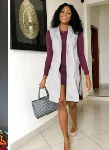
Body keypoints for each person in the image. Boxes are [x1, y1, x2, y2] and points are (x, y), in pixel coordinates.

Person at [39, 3, 91, 150]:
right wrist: (44, 77)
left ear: (72, 16)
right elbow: (49, 56)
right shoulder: (51, 33)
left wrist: (87, 76)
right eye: (63, 11)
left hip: (72, 72)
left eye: (68, 12)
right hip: (57, 73)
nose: (65, 14)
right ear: (58, 14)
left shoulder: (77, 33)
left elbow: (81, 55)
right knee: (61, 103)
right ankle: (65, 139)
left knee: (72, 103)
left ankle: (74, 123)